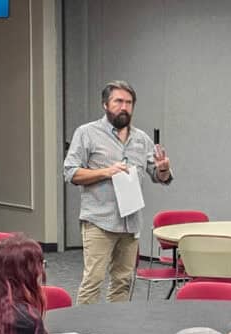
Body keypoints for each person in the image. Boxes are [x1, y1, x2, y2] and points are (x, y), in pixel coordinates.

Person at [64, 80, 173, 304]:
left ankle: (115, 325)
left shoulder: (141, 139)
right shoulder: (87, 133)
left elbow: (159, 177)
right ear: (105, 104)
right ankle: (85, 325)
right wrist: (106, 172)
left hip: (130, 223)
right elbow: (70, 172)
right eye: (118, 101)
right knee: (93, 281)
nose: (124, 107)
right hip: (99, 221)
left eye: (129, 103)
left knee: (123, 281)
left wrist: (163, 170)